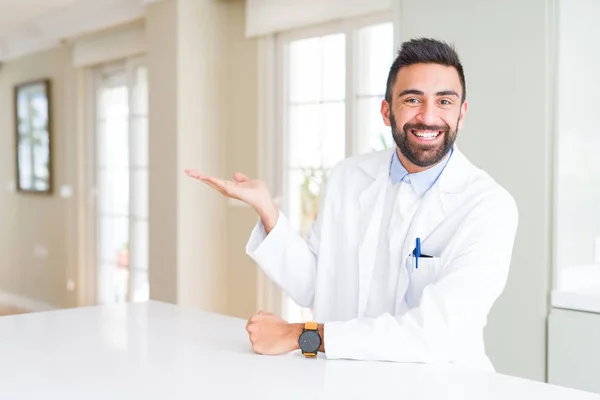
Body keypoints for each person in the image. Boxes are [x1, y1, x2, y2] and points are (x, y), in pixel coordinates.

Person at [185, 38, 518, 371]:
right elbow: (315, 285)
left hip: (438, 386)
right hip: (343, 379)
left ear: (462, 113)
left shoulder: (488, 207)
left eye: (444, 101)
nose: (428, 116)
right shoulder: (348, 177)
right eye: (412, 99)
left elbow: (437, 333)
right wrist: (268, 212)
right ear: (387, 111)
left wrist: (301, 335)